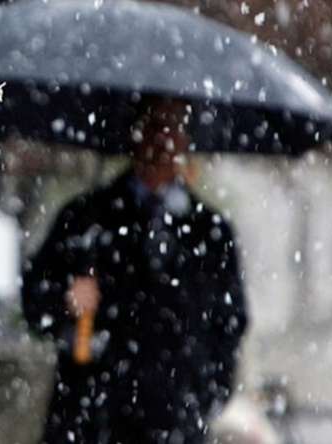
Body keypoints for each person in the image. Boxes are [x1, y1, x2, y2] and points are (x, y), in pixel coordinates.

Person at [22, 98, 248, 444]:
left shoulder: (210, 232)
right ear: (134, 135)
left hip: (174, 417)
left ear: (186, 141)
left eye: (172, 128)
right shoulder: (85, 218)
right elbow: (34, 303)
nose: (161, 141)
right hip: (90, 415)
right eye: (153, 127)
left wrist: (204, 392)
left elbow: (229, 323)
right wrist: (65, 299)